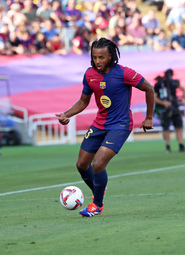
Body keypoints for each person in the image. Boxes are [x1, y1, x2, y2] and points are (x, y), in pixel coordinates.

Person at [56, 38, 155, 217]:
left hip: (120, 125)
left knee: (99, 163)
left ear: (110, 56)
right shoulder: (89, 74)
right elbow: (84, 101)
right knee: (81, 164)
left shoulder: (125, 73)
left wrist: (149, 117)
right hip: (99, 124)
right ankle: (99, 188)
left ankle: (97, 204)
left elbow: (149, 88)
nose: (97, 61)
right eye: (94, 57)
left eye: (101, 57)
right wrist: (66, 114)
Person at [154, 69, 185, 153]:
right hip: (164, 109)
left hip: (175, 107)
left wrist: (183, 98)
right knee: (166, 128)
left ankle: (181, 145)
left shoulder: (174, 83)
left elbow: (183, 89)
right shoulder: (158, 84)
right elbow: (154, 97)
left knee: (179, 126)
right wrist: (163, 102)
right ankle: (167, 146)